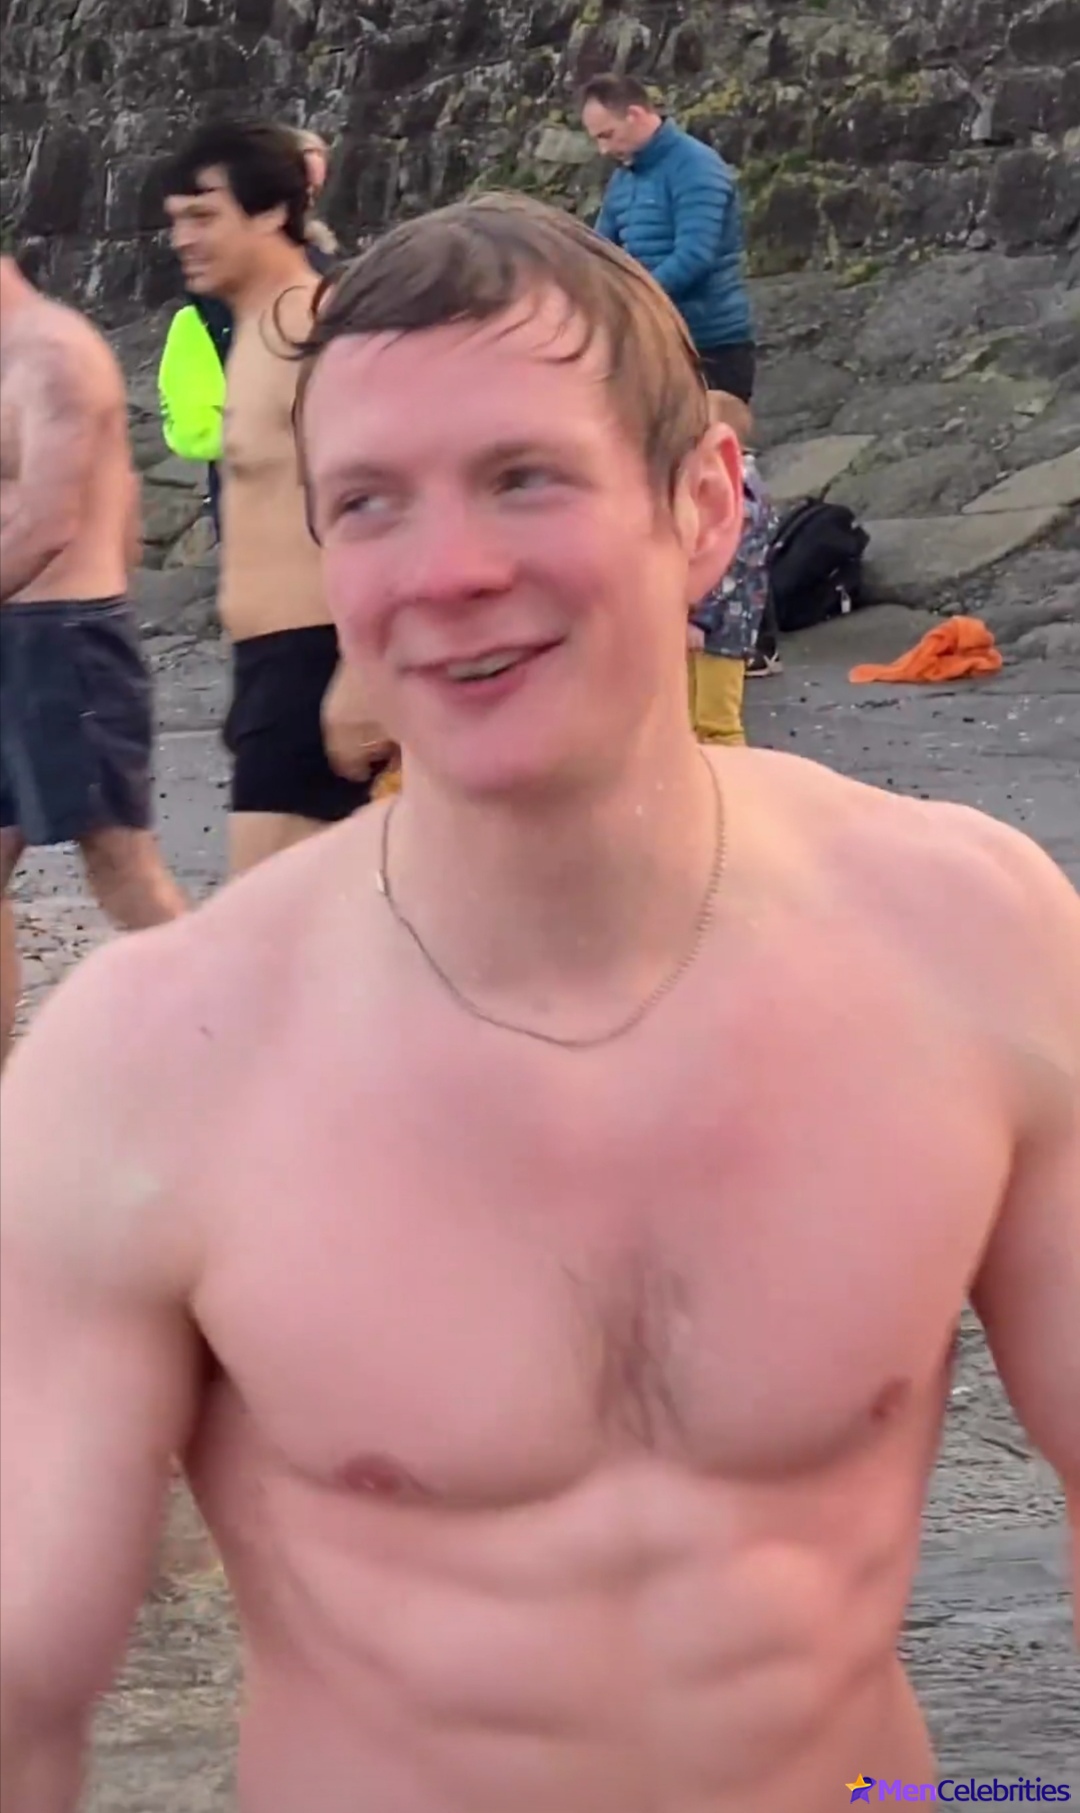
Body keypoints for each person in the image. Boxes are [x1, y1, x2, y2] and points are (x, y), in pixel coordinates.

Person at [1, 194, 1077, 1813]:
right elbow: (23, 1684)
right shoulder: (152, 1064)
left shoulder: (967, 939)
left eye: (524, 476)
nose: (447, 571)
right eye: (370, 503)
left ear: (706, 506)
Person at [161, 120, 391, 876]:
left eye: (204, 216)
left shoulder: (313, 325)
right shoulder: (255, 328)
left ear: (271, 212)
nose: (183, 238)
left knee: (270, 922)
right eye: (176, 220)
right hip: (266, 668)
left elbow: (384, 500)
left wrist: (362, 671)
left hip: (314, 661)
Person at [0, 253, 185, 1067]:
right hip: (19, 632)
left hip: (65, 634)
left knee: (121, 867)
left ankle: (239, 1047)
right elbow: (130, 517)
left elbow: (49, 522)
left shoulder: (54, 354)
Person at [582, 73, 756, 442]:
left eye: (607, 135)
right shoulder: (624, 178)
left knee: (711, 455)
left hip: (710, 346)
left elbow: (695, 256)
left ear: (634, 115)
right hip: (654, 342)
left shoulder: (696, 166)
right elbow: (600, 250)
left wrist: (633, 298)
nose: (603, 150)